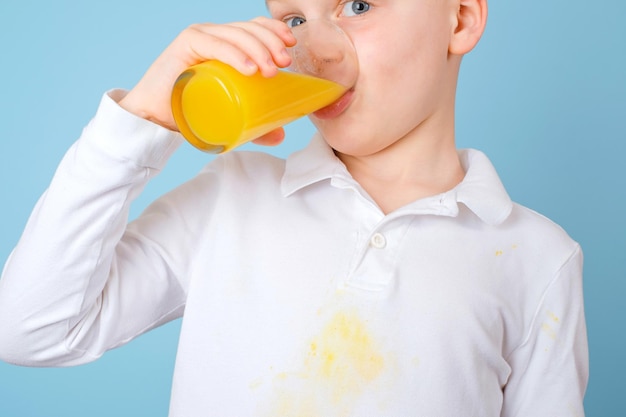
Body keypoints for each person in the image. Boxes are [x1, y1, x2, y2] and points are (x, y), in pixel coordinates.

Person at [0, 0, 588, 416]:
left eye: (358, 5)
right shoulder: (232, 196)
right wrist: (146, 116)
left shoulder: (537, 259)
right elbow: (29, 330)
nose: (319, 50)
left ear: (459, 18)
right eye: (294, 20)